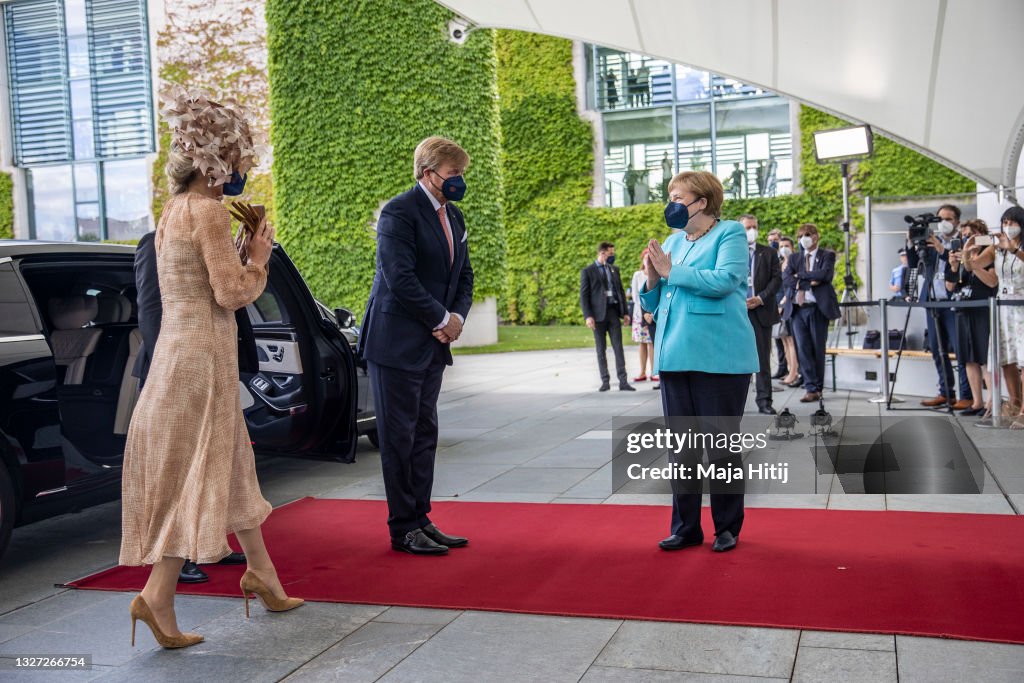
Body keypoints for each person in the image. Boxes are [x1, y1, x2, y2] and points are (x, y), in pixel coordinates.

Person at [121, 90, 302, 650]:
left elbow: (196, 284)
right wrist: (259, 259)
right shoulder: (207, 212)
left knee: (226, 464)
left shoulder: (173, 210)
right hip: (202, 358)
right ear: (220, 160)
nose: (245, 171)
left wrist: (242, 251)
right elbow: (229, 293)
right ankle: (156, 597)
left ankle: (263, 574)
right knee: (196, 473)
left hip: (177, 353)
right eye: (242, 161)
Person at [357, 136, 475, 554]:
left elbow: (464, 276)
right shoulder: (399, 212)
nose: (460, 181)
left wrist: (457, 318)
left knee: (425, 432)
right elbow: (399, 278)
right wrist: (441, 319)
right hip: (396, 343)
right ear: (429, 173)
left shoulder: (454, 217)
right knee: (398, 437)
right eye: (454, 174)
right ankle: (402, 527)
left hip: (433, 342)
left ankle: (421, 518)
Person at [639, 170, 758, 554]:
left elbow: (725, 280)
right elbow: (656, 305)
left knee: (720, 445)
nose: (671, 203)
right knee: (682, 448)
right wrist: (653, 282)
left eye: (678, 196)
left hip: (719, 357)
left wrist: (672, 271)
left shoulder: (731, 233)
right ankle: (686, 527)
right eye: (670, 196)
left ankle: (727, 527)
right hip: (675, 354)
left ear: (702, 202)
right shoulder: (675, 240)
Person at [133, 230, 253, 585]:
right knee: (177, 468)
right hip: (174, 371)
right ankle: (175, 555)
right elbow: (151, 307)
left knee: (217, 462)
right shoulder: (157, 241)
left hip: (214, 364)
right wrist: (173, 367)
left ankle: (210, 542)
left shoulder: (215, 239)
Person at [906, 203, 973, 409]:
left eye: (949, 219)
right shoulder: (929, 242)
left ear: (957, 222)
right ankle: (946, 392)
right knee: (937, 348)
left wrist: (940, 247)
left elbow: (960, 264)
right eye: (940, 219)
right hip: (933, 301)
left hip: (954, 302)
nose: (944, 223)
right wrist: (911, 244)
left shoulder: (962, 241)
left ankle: (966, 394)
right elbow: (912, 263)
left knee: (961, 349)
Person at [967, 206, 1024, 428]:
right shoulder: (995, 247)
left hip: (1022, 306)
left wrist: (1013, 250)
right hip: (1003, 307)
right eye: (1005, 222)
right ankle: (1014, 405)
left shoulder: (1015, 247)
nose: (1008, 227)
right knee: (1007, 358)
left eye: (1013, 222)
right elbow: (975, 264)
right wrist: (966, 253)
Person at [782, 223, 840, 402]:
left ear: (816, 236)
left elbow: (825, 275)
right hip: (798, 309)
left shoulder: (826, 255)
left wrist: (801, 276)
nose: (803, 239)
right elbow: (786, 278)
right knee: (803, 349)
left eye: (806, 234)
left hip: (817, 309)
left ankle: (818, 387)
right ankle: (810, 387)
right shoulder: (794, 258)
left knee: (817, 349)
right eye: (800, 236)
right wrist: (808, 281)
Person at [946, 219, 995, 417]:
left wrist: (971, 262)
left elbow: (992, 282)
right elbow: (950, 287)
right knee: (968, 359)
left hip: (983, 310)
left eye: (971, 234)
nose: (967, 238)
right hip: (962, 310)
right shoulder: (958, 258)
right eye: (964, 234)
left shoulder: (990, 255)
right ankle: (977, 402)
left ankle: (992, 402)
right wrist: (955, 266)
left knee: (985, 358)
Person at [739, 214, 782, 414]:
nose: (751, 230)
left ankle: (764, 401)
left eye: (754, 226)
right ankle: (735, 402)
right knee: (737, 360)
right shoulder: (731, 253)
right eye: (748, 227)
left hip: (761, 311)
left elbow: (776, 280)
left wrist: (760, 298)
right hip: (738, 313)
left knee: (762, 359)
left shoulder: (769, 253)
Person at [581, 242, 635, 392]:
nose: (613, 256)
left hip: (613, 313)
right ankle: (605, 381)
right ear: (602, 253)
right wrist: (588, 316)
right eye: (611, 254)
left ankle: (623, 381)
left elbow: (620, 291)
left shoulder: (614, 270)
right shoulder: (588, 271)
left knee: (618, 347)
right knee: (601, 349)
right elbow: (584, 296)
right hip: (597, 316)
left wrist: (625, 313)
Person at [630, 250, 656, 384]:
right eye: (645, 258)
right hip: (640, 314)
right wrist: (643, 313)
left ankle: (653, 372)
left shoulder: (655, 274)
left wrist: (651, 313)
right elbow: (636, 296)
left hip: (652, 314)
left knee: (652, 342)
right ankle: (642, 371)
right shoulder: (638, 275)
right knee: (642, 343)